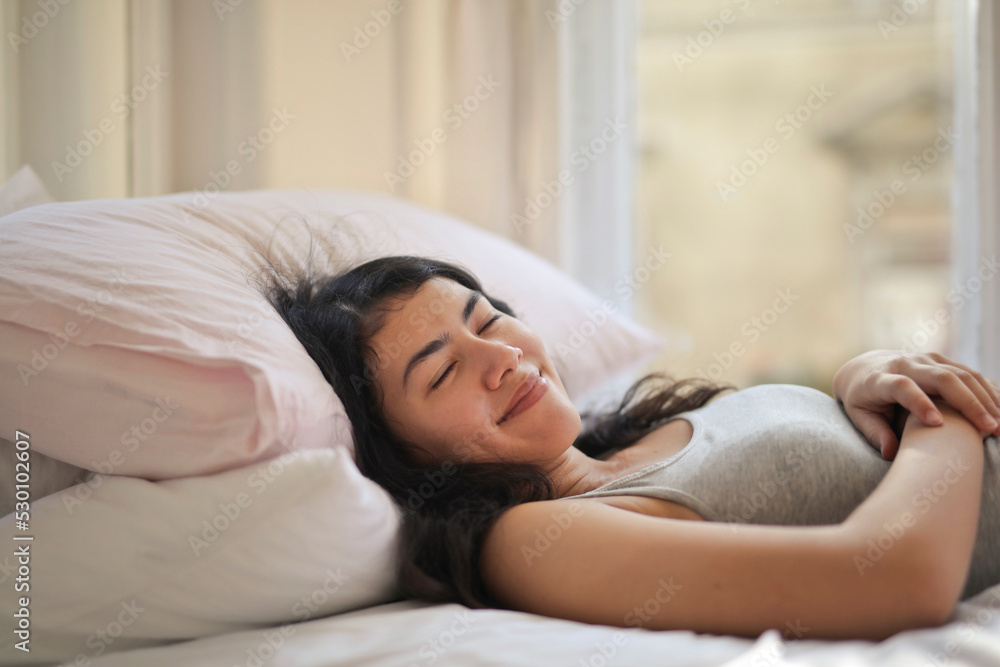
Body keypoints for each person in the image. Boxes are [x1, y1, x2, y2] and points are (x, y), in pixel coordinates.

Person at [257, 253, 1000, 642]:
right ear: (403, 456)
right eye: (445, 370)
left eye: (487, 321)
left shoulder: (639, 432)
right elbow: (898, 581)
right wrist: (944, 413)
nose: (501, 358)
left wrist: (864, 372)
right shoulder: (529, 539)